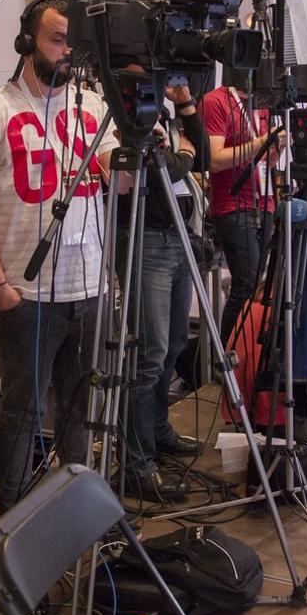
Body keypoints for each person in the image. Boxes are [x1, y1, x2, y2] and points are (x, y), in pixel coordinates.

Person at [0, 0, 117, 511]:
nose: (67, 50)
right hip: (26, 294)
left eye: (74, 41)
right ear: (27, 42)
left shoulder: (94, 107)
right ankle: (12, 516)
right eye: (56, 39)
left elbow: (122, 175)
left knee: (79, 408)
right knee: (22, 412)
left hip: (90, 287)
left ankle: (73, 511)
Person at [112, 102, 200, 502]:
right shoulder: (121, 104)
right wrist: (185, 155)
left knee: (175, 344)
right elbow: (165, 168)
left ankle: (157, 431)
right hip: (145, 239)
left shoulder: (163, 106)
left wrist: (184, 116)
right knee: (149, 354)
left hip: (178, 237)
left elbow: (196, 156)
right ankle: (136, 463)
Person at [200, 79, 274, 344]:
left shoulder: (264, 102)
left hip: (265, 202)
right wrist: (261, 144)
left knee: (257, 286)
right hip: (232, 204)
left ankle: (245, 349)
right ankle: (228, 352)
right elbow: (214, 160)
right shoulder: (215, 101)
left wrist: (275, 149)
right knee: (246, 284)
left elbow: (265, 159)